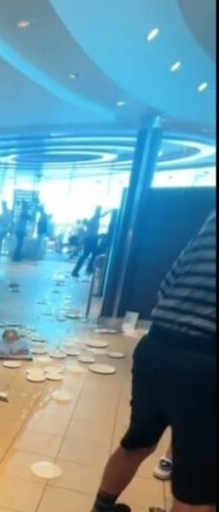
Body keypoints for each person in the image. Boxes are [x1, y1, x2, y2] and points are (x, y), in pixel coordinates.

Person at [91, 210, 214, 512]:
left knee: (138, 441)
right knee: (198, 486)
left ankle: (102, 508)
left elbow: (168, 284)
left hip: (156, 347)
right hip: (205, 361)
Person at [73, 206, 104, 277]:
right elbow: (92, 231)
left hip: (91, 239)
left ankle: (83, 270)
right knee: (90, 254)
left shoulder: (94, 219)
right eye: (99, 210)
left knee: (91, 254)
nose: (100, 212)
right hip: (92, 239)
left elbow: (89, 232)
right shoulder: (94, 219)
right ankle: (87, 269)